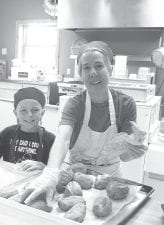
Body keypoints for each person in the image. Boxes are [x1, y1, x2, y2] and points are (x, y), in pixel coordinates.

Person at [20, 41, 147, 204]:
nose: (93, 72)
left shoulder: (125, 104)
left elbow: (124, 156)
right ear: (80, 73)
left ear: (110, 69)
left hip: (111, 182)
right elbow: (63, 139)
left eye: (99, 66)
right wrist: (50, 174)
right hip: (75, 181)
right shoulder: (74, 105)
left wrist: (133, 149)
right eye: (86, 68)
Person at [0, 87, 55, 171]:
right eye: (23, 110)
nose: (29, 115)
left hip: (38, 183)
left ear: (42, 113)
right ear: (15, 113)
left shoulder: (50, 139)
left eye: (35, 110)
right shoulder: (7, 133)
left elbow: (56, 171)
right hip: (10, 181)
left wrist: (43, 167)